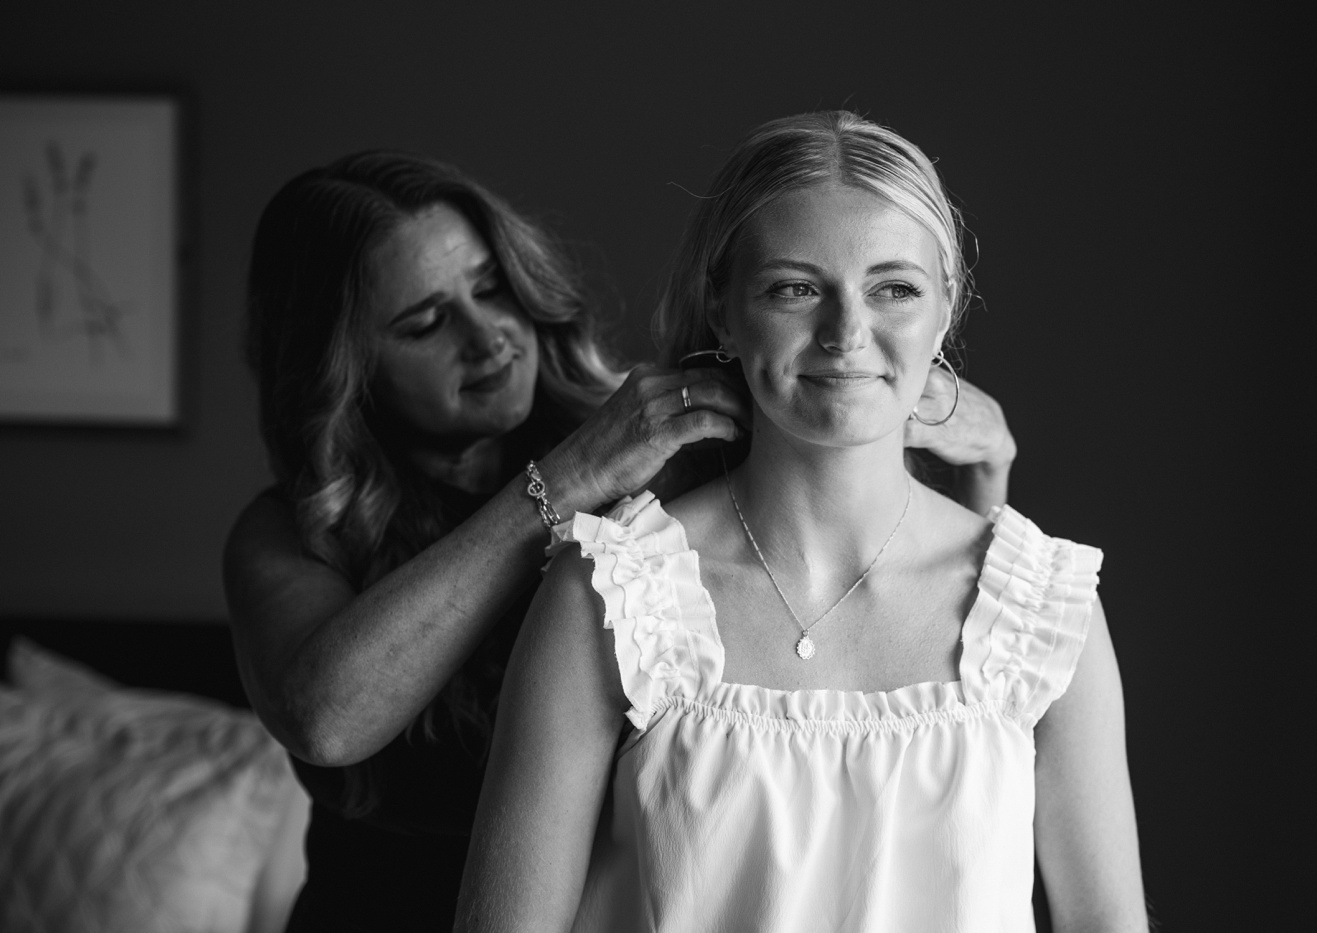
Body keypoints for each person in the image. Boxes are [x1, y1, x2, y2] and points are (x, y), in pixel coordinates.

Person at [222, 149, 1018, 930]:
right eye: (426, 322)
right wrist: (561, 483)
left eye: (491, 287)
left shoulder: (646, 446)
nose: (488, 335)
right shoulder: (292, 530)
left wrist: (975, 464)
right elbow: (325, 719)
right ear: (342, 363)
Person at [455, 111, 1146, 933]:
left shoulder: (1042, 608)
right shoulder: (610, 594)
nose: (847, 334)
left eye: (895, 288)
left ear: (946, 308)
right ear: (723, 308)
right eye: (795, 288)